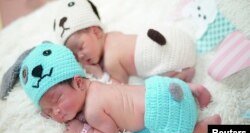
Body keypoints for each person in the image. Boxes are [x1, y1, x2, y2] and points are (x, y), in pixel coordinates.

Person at [19, 42, 221, 133]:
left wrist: (82, 130)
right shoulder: (97, 85)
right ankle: (194, 90)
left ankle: (203, 128)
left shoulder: (92, 111)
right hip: (164, 89)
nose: (56, 113)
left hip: (162, 113)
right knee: (152, 87)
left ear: (79, 83)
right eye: (48, 111)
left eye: (57, 100)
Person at [53, 0, 197, 83]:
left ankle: (181, 75)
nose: (80, 57)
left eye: (81, 47)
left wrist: (100, 75)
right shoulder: (113, 35)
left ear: (96, 32)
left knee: (155, 84)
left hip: (167, 56)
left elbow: (119, 87)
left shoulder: (111, 61)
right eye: (75, 55)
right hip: (178, 38)